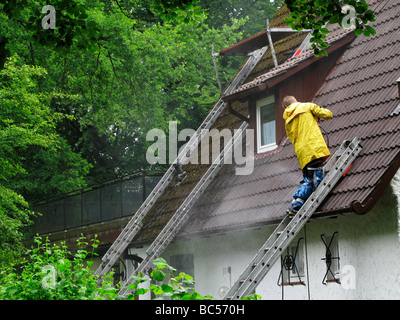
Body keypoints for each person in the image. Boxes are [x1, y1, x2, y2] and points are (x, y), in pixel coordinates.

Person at [282, 96, 333, 216]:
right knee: (314, 181)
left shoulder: (287, 121)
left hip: (302, 155)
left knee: (307, 179)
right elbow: (328, 114)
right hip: (314, 149)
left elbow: (293, 139)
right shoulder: (307, 106)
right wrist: (315, 117)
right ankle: (296, 205)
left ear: (286, 107)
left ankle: (295, 202)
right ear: (296, 101)